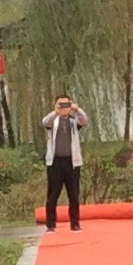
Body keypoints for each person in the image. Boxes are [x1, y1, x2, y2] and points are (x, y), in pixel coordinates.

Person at [41, 93, 87, 231]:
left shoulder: (74, 121)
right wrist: (56, 112)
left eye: (66, 104)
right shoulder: (52, 122)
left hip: (72, 163)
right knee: (52, 195)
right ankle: (50, 225)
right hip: (55, 163)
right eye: (61, 104)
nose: (64, 108)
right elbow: (44, 122)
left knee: (73, 194)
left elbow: (84, 120)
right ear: (56, 105)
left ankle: (75, 223)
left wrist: (77, 109)